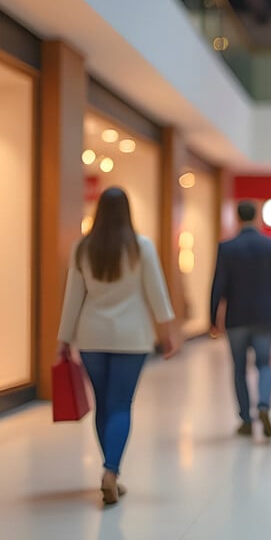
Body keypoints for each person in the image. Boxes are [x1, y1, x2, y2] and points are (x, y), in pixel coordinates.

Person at [56, 187, 177, 506]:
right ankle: (111, 471)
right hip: (131, 337)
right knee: (122, 404)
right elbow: (157, 293)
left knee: (104, 404)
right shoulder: (141, 247)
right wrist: (167, 333)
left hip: (92, 336)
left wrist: (63, 339)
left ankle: (110, 469)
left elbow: (73, 297)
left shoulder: (83, 248)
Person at [210, 200, 271, 438]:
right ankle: (264, 404)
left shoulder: (227, 247)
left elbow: (218, 285)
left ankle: (245, 418)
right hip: (265, 315)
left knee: (239, 369)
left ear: (237, 216)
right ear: (256, 217)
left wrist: (212, 316)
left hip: (237, 317)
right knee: (265, 364)